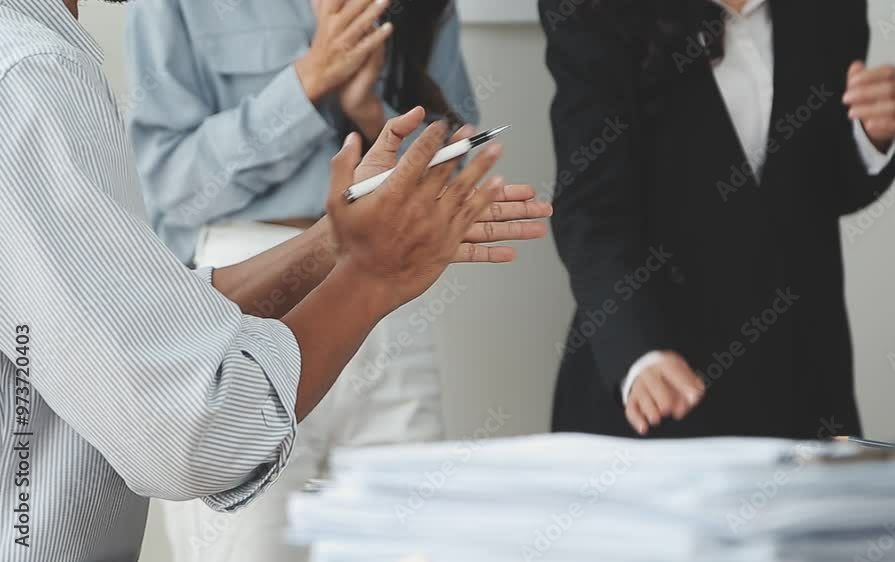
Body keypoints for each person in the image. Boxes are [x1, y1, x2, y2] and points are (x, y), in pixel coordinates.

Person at [0, 0, 550, 560]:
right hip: (267, 267)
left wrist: (363, 129)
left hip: (367, 288)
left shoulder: (38, 61)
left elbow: (454, 163)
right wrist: (305, 86)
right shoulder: (30, 72)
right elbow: (196, 432)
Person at [542, 0, 895, 439]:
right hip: (655, 388)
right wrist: (638, 352)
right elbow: (590, 210)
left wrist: (872, 135)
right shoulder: (595, 10)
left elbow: (817, 187)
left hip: (803, 382)